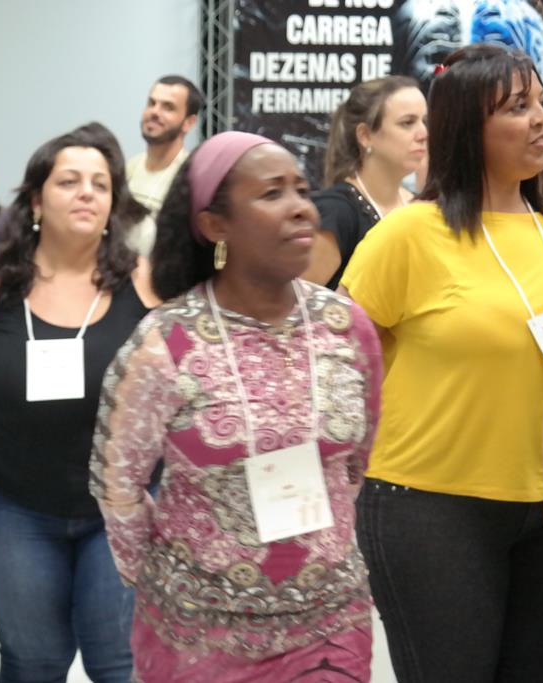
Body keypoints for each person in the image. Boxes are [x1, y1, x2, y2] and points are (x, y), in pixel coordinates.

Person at [90, 131, 382, 682]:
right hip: (198, 631)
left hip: (329, 620)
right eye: (272, 193)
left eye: (301, 189)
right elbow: (119, 485)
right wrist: (160, 579)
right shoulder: (164, 342)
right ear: (214, 225)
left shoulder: (347, 326)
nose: (301, 208)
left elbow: (354, 463)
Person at [343, 44, 543, 682]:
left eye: (541, 102)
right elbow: (340, 364)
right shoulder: (408, 236)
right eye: (517, 107)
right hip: (433, 506)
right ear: (467, 129)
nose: (541, 119)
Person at [0, 122, 158, 682]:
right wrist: (19, 418)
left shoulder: (146, 285)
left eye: (100, 184)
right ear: (36, 200)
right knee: (34, 660)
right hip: (10, 502)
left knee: (117, 663)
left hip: (117, 505)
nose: (87, 193)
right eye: (69, 181)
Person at [303, 76, 427, 289]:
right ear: (365, 135)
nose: (423, 134)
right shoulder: (336, 212)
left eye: (425, 121)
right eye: (407, 123)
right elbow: (297, 304)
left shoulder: (422, 206)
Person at [126, 75, 204, 257]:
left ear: (189, 123)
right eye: (151, 103)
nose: (155, 112)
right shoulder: (129, 168)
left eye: (168, 107)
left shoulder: (192, 178)